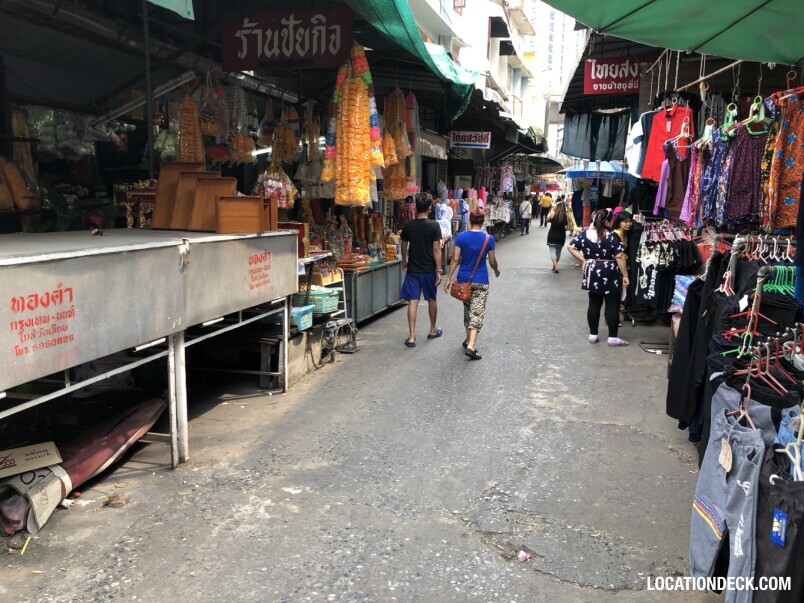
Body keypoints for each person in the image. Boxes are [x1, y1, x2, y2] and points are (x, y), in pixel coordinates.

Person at [567, 208, 630, 347]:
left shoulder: (585, 234)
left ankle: (593, 335)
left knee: (594, 303)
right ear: (607, 221)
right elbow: (619, 256)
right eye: (611, 220)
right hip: (610, 271)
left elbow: (571, 247)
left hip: (592, 270)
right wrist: (625, 275)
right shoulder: (612, 236)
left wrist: (584, 260)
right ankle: (612, 337)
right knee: (612, 305)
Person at [444, 209, 500, 360]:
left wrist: (448, 278)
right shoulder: (489, 239)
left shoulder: (461, 237)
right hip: (481, 280)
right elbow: (492, 261)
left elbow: (455, 259)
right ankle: (471, 345)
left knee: (468, 309)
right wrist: (496, 270)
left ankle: (468, 338)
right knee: (477, 312)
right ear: (483, 221)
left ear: (470, 220)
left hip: (464, 279)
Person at [400, 195, 443, 347]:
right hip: (429, 269)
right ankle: (432, 330)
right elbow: (436, 249)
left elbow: (403, 245)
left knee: (413, 301)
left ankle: (412, 336)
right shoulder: (434, 226)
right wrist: (439, 270)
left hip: (413, 269)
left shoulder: (409, 225)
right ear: (429, 208)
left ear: (416, 208)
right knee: (431, 298)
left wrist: (404, 260)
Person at [546, 201, 569, 273]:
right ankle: (554, 266)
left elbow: (547, 220)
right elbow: (568, 228)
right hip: (561, 236)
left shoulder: (553, 214)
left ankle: (556, 266)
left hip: (552, 235)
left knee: (552, 251)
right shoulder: (567, 216)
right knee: (558, 252)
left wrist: (553, 221)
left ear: (557, 208)